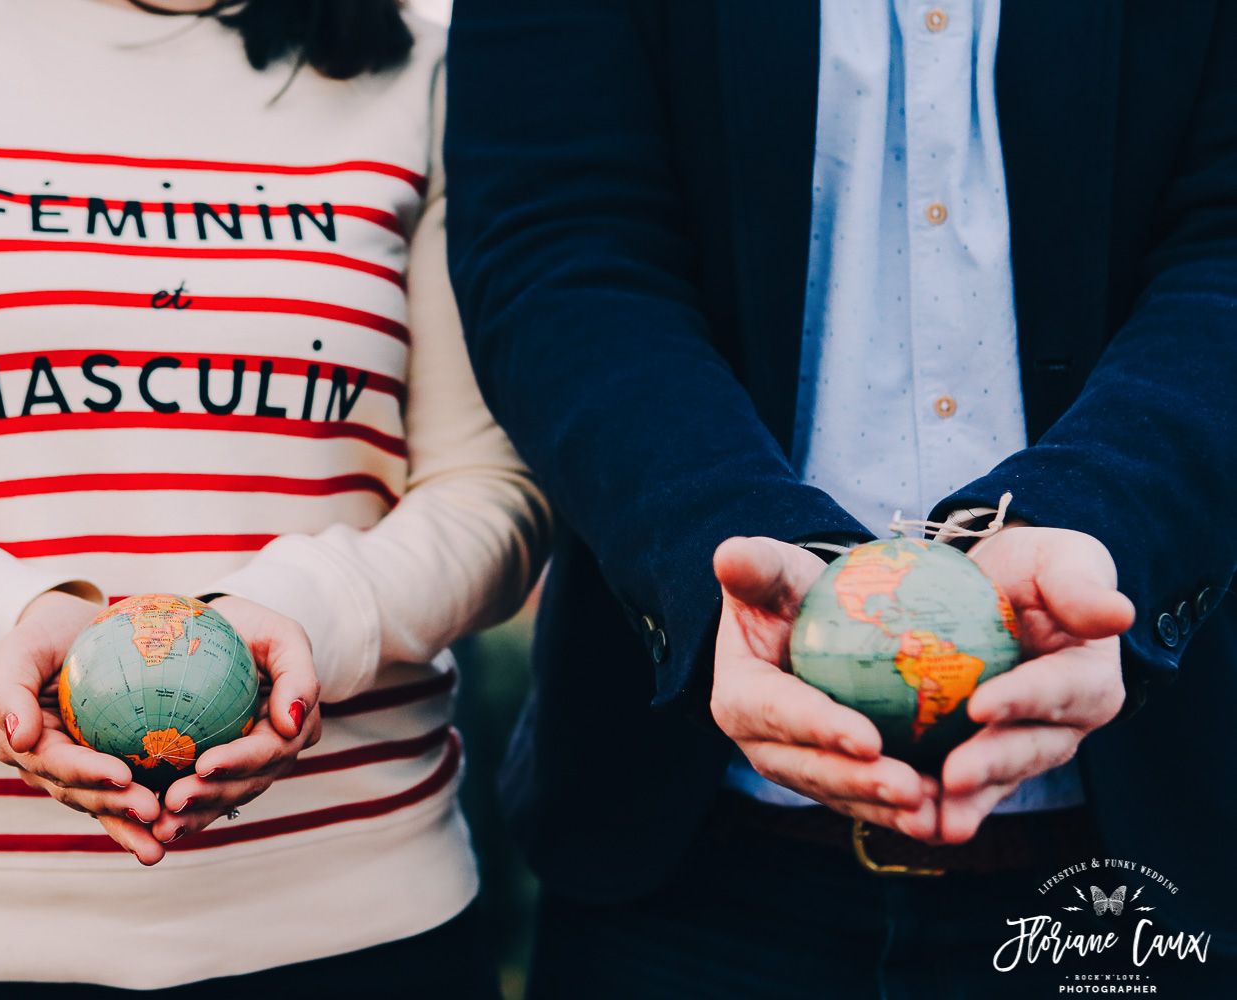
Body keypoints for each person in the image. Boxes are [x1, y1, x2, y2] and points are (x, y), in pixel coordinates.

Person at [0, 0, 548, 995]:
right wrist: (4, 628)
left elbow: (491, 490)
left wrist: (305, 621)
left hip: (358, 924)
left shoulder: (424, 73)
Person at [445, 0, 1237, 996]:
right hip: (688, 863)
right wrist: (727, 543)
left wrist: (1098, 519)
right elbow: (558, 246)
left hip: (1155, 857)